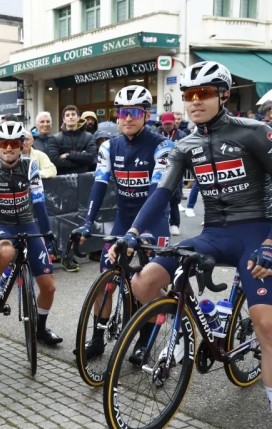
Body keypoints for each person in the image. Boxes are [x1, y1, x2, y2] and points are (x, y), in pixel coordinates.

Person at [109, 61, 272, 382]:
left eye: (205, 92)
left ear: (223, 95)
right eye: (189, 94)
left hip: (257, 232)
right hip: (211, 234)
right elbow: (161, 194)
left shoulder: (254, 132)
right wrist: (131, 233)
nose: (195, 100)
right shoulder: (185, 145)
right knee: (142, 283)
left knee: (266, 326)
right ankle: (193, 320)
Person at [76, 85, 173, 358]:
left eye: (133, 112)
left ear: (146, 114)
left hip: (153, 222)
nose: (127, 118)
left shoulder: (163, 146)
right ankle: (97, 338)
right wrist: (87, 223)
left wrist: (137, 231)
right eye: (122, 112)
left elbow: (156, 194)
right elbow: (99, 185)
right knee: (106, 279)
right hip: (123, 219)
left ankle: (145, 341)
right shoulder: (109, 146)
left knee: (146, 283)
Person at [0, 122, 62, 346]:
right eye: (3, 143)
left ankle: (41, 329)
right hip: (1, 225)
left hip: (28, 224)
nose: (8, 148)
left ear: (21, 145)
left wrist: (47, 235)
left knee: (49, 286)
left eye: (14, 143)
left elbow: (39, 203)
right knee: (5, 253)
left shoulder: (30, 166)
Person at [157, 112, 188, 235]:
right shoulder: (156, 134)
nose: (167, 127)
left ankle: (175, 224)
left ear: (174, 123)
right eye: (165, 124)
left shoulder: (181, 135)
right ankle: (159, 223)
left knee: (174, 199)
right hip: (159, 169)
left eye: (169, 124)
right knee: (159, 197)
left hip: (176, 170)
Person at [48, 105, 96, 175]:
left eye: (73, 114)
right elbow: (54, 161)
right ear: (64, 119)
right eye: (67, 115)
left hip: (84, 179)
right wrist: (81, 162)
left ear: (78, 118)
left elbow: (91, 157)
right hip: (62, 180)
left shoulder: (88, 137)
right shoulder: (55, 138)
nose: (70, 117)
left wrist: (68, 155)